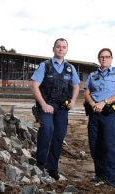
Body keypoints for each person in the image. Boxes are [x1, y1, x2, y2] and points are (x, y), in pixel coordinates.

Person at [31, 38, 80, 180]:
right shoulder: (45, 66)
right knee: (47, 129)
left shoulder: (70, 68)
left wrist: (73, 100)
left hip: (62, 108)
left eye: (63, 47)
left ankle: (52, 168)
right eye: (58, 47)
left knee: (59, 136)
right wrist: (44, 104)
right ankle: (40, 163)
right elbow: (34, 85)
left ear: (66, 50)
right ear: (53, 49)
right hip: (47, 105)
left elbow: (76, 86)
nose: (60, 49)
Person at [84, 48, 115, 188]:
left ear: (111, 59)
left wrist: (104, 102)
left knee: (109, 146)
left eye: (107, 57)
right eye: (102, 57)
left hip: (108, 114)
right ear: (98, 59)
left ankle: (112, 180)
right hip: (94, 113)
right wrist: (92, 104)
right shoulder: (92, 75)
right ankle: (99, 175)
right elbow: (87, 92)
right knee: (95, 145)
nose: (104, 59)